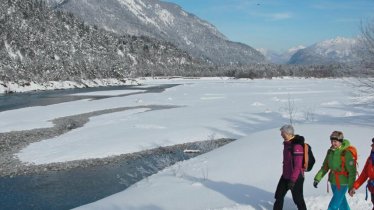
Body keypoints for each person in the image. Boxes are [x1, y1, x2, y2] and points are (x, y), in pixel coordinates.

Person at [313, 131, 356, 210]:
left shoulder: (346, 153)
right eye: (332, 141)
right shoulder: (330, 152)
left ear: (340, 142)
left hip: (342, 183)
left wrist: (351, 187)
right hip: (333, 182)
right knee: (342, 204)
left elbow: (352, 171)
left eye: (335, 141)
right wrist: (317, 178)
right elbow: (325, 167)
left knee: (333, 206)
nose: (333, 143)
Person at [274, 124, 307, 210]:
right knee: (278, 196)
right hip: (285, 175)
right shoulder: (286, 144)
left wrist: (292, 180)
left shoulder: (297, 146)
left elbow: (298, 165)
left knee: (298, 199)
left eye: (282, 133)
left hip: (296, 177)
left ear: (288, 133)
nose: (281, 134)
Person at [348, 137, 374, 210]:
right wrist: (354, 187)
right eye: (372, 144)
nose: (372, 146)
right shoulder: (370, 159)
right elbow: (364, 174)